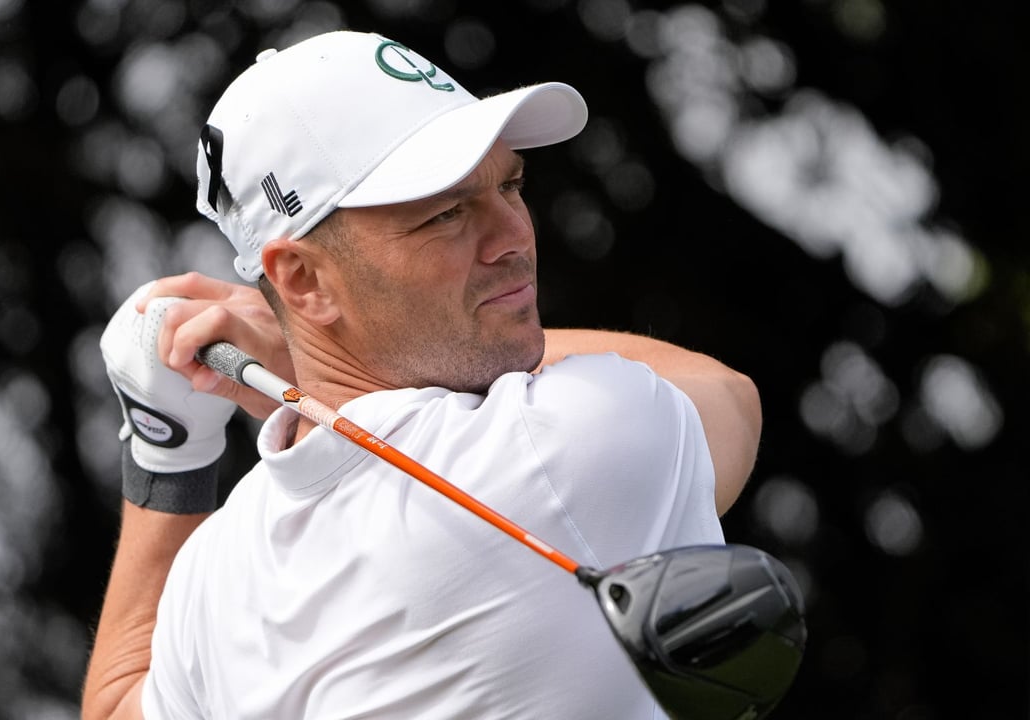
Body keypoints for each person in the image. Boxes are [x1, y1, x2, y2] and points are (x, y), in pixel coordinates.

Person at [82, 30, 761, 720]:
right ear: (303, 280)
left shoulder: (216, 572)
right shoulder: (561, 444)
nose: (513, 237)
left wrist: (167, 451)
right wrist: (295, 365)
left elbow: (114, 707)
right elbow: (725, 395)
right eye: (447, 213)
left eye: (511, 184)